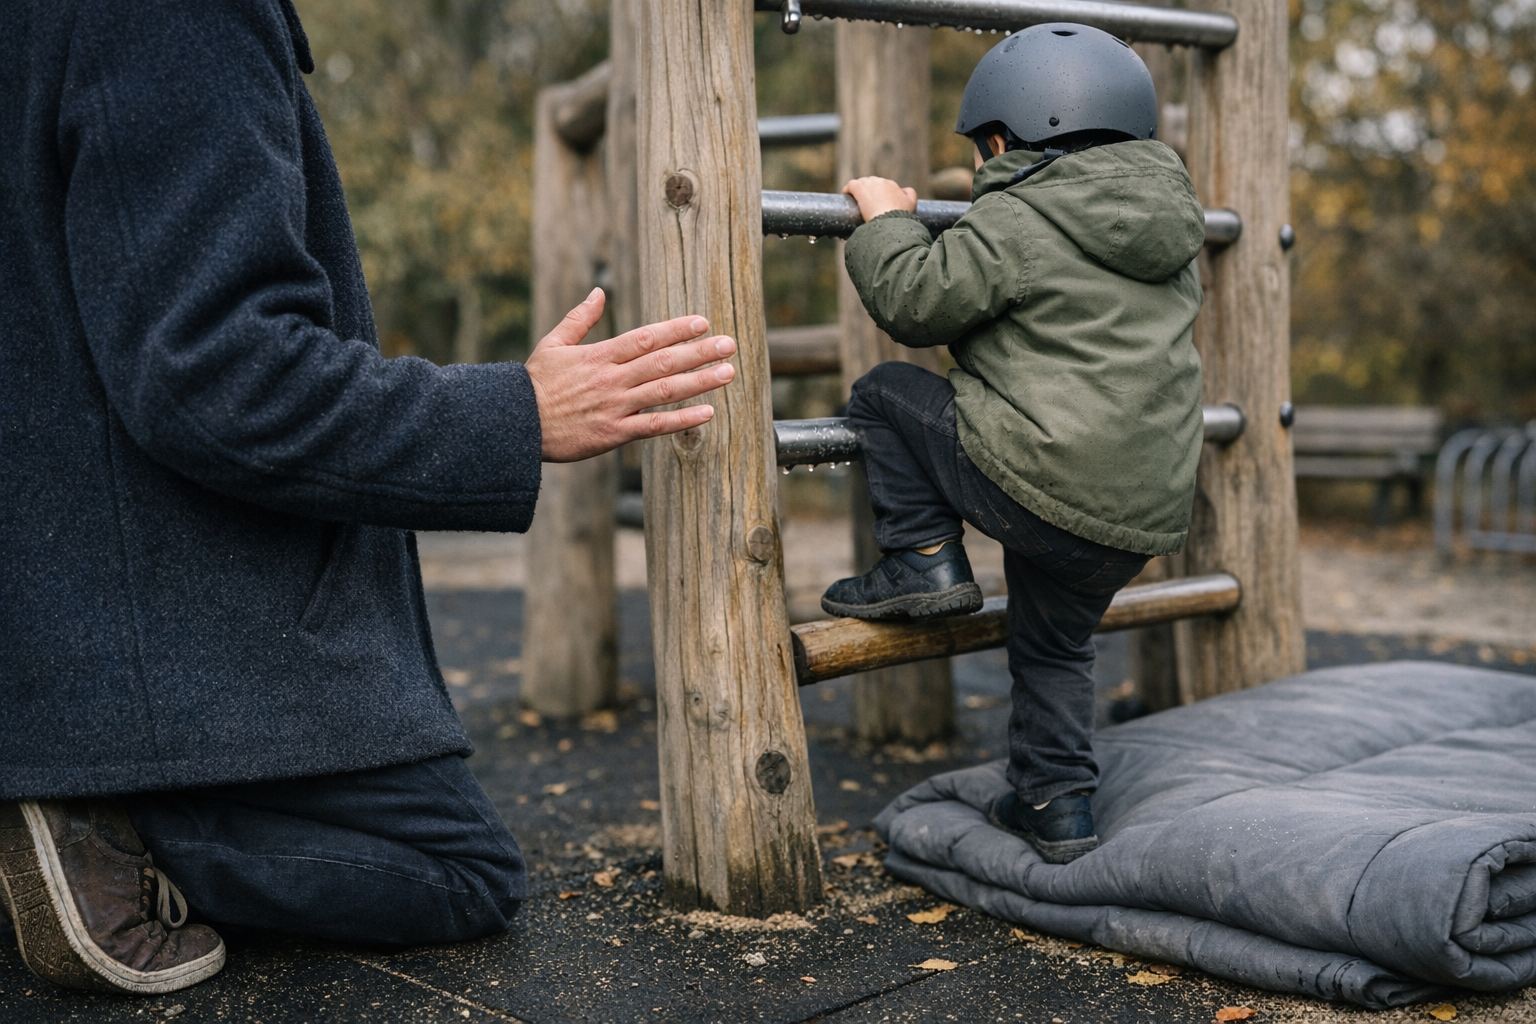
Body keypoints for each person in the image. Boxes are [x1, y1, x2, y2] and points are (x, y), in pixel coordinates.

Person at [0, 0, 735, 996]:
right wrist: (517, 414)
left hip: (54, 585)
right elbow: (214, 369)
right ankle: (86, 812)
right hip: (125, 627)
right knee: (461, 873)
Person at [823, 23, 1206, 864]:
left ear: (1003, 139)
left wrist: (887, 221)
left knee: (885, 395)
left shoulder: (1021, 218)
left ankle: (923, 556)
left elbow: (916, 301)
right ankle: (1058, 806)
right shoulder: (1175, 237)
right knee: (1055, 643)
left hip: (1044, 475)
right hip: (1136, 511)